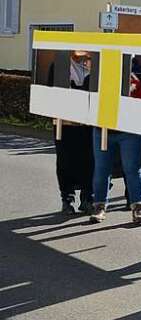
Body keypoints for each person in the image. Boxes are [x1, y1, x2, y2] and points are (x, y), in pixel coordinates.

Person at [89, 57, 141, 225]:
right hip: (103, 126)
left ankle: (138, 207)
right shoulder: (101, 70)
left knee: (132, 168)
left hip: (130, 127)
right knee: (102, 169)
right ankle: (99, 206)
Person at [48, 50, 94, 214]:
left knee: (89, 161)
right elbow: (52, 91)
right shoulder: (60, 66)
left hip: (87, 123)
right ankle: (67, 199)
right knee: (65, 161)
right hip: (65, 124)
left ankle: (88, 197)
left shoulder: (92, 66)